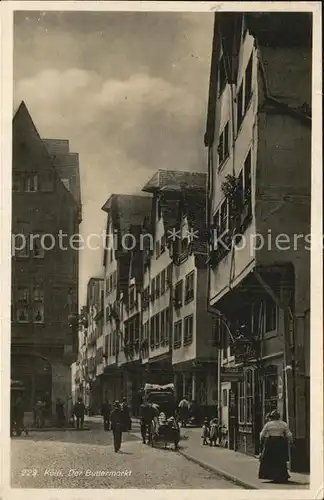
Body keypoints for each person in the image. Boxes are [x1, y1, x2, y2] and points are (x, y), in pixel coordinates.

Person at [258, 410, 293, 483]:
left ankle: (270, 475)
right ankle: (281, 475)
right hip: (280, 442)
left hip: (271, 442)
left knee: (269, 459)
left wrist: (261, 441)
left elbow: (262, 434)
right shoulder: (283, 424)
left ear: (272, 417)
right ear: (279, 417)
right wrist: (291, 441)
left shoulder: (268, 424)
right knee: (280, 459)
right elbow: (289, 434)